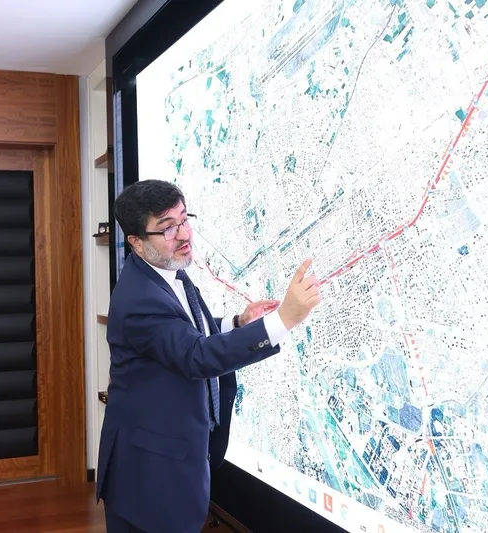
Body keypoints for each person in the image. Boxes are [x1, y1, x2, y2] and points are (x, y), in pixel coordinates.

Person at [96, 180, 323, 532]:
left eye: (184, 219)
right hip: (149, 476)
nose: (184, 233)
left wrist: (237, 323)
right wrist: (283, 320)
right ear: (136, 242)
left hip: (166, 462)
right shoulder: (139, 298)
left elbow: (183, 330)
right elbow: (194, 355)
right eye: (168, 228)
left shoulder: (166, 272)